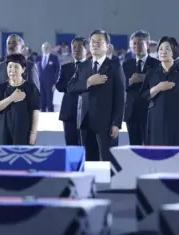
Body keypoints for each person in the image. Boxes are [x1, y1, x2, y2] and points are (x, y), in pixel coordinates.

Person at [67, 29, 126, 161]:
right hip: (85, 121)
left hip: (106, 123)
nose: (95, 45)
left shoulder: (114, 66)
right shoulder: (83, 66)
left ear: (107, 46)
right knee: (88, 160)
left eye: (99, 42)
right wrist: (87, 82)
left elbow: (120, 96)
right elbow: (71, 87)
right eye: (93, 42)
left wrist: (117, 123)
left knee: (107, 160)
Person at [141, 36, 179, 146]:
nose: (163, 51)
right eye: (161, 49)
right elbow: (143, 96)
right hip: (156, 120)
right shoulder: (152, 73)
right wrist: (158, 87)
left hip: (177, 120)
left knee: (176, 154)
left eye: (167, 49)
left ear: (174, 52)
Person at [0, 54, 40, 145]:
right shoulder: (1, 87)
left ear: (23, 69)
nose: (12, 70)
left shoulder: (30, 88)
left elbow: (35, 111)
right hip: (4, 131)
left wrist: (33, 133)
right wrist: (11, 98)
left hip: (24, 131)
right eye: (10, 66)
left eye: (16, 67)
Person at [123, 30, 160, 145]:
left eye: (140, 43)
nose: (137, 46)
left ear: (147, 45)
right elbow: (121, 86)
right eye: (134, 43)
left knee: (150, 145)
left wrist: (145, 78)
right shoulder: (126, 64)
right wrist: (130, 81)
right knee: (134, 145)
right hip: (132, 111)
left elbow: (161, 84)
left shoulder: (157, 64)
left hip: (149, 111)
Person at [55, 37, 88, 146]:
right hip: (69, 112)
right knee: (70, 145)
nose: (76, 50)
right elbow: (59, 86)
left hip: (86, 113)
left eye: (79, 47)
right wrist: (73, 85)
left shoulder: (91, 67)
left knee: (86, 146)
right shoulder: (66, 67)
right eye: (74, 47)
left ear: (86, 49)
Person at [0, 34, 39, 101]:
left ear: (22, 47)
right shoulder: (0, 67)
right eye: (8, 43)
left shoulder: (30, 66)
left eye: (14, 43)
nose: (10, 46)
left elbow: (36, 91)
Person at [38, 42, 61, 112]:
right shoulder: (39, 58)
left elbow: (57, 71)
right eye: (44, 48)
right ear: (42, 49)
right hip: (40, 83)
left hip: (50, 83)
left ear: (50, 49)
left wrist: (56, 83)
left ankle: (51, 119)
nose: (45, 49)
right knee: (42, 102)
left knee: (49, 102)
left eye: (47, 47)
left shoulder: (54, 58)